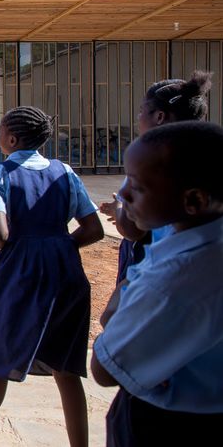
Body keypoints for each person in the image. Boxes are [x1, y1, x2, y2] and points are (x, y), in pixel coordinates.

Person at [0, 106, 104, 447]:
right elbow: (93, 229)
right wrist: (58, 244)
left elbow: (0, 235)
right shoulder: (65, 172)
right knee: (67, 366)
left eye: (0, 129)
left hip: (20, 273)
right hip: (66, 272)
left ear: (11, 139)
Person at [91, 121, 223, 446]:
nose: (122, 194)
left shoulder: (174, 280)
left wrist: (115, 308)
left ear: (192, 200)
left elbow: (104, 370)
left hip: (163, 425)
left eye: (136, 186)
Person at [98, 71, 212, 283]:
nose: (138, 118)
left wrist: (120, 208)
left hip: (157, 270)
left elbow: (132, 230)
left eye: (142, 111)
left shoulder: (149, 159)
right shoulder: (207, 153)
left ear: (159, 116)